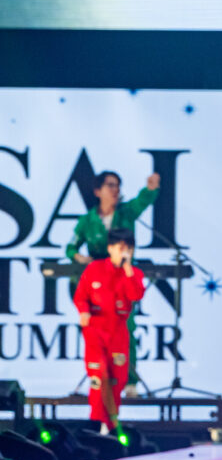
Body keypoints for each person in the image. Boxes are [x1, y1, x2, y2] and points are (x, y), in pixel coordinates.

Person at [65, 170, 160, 397]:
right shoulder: (87, 220)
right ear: (98, 191)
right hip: (98, 281)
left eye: (117, 185)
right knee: (97, 334)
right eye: (110, 185)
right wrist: (80, 258)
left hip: (121, 281)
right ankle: (99, 379)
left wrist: (150, 189)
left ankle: (130, 381)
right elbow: (71, 248)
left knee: (126, 329)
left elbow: (142, 201)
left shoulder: (126, 213)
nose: (115, 190)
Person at [73, 228, 146, 441]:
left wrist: (128, 269)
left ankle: (112, 423)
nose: (124, 251)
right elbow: (81, 296)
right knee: (99, 375)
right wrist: (84, 311)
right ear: (110, 248)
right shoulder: (94, 269)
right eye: (120, 247)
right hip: (95, 329)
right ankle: (96, 423)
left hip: (118, 331)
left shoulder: (134, 273)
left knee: (117, 378)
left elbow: (136, 294)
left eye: (128, 247)